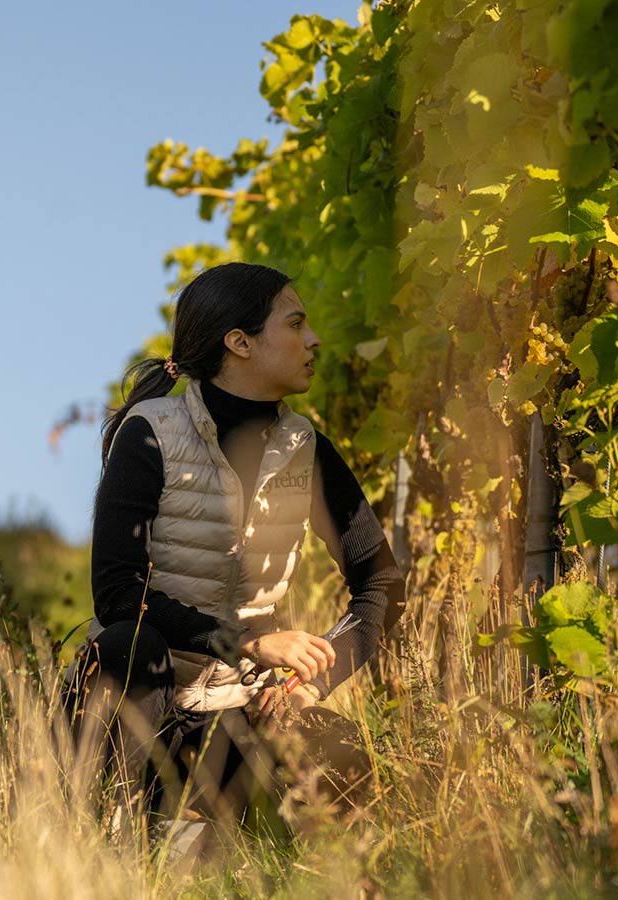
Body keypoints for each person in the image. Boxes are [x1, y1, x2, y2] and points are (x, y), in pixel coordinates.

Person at [66, 262, 405, 848]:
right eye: (295, 323)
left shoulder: (307, 449)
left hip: (232, 716)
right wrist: (246, 642)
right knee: (129, 644)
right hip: (133, 707)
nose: (313, 339)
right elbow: (119, 593)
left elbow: (382, 584)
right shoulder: (150, 433)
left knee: (341, 749)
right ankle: (108, 838)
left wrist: (307, 689)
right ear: (240, 343)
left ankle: (231, 852)